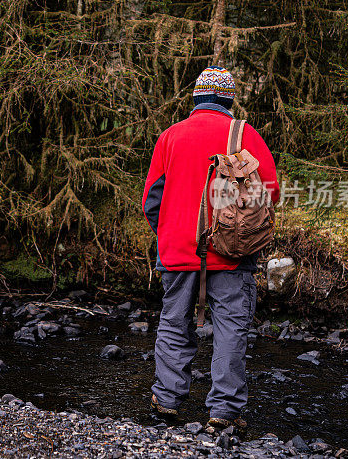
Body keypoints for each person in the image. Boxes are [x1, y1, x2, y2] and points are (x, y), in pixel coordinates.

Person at [141, 66, 280, 432]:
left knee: (173, 324)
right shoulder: (244, 134)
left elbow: (151, 200)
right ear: (228, 100)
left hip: (177, 252)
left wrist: (169, 233)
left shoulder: (169, 136)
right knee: (231, 329)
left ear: (196, 99)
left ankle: (167, 400)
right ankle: (223, 411)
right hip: (232, 255)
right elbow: (271, 192)